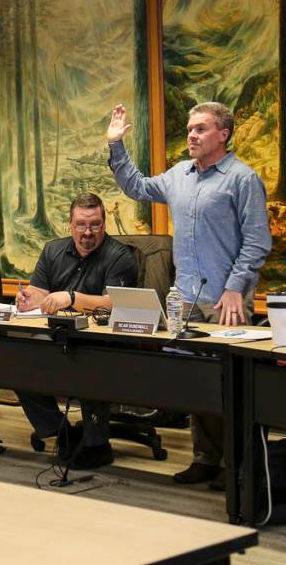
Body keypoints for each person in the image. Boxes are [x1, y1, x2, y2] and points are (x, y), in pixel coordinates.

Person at [107, 101, 272, 488]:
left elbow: (257, 242)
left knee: (230, 388)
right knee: (199, 384)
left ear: (223, 135)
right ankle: (206, 459)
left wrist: (236, 288)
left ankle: (240, 469)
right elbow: (137, 186)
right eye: (189, 128)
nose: (191, 135)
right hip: (184, 302)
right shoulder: (179, 175)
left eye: (200, 129)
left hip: (225, 302)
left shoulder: (242, 179)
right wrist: (116, 146)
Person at [14, 193, 138, 469]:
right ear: (69, 225)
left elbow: (114, 303)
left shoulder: (120, 256)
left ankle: (96, 444)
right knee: (19, 359)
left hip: (102, 341)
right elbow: (38, 294)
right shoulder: (52, 250)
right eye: (81, 225)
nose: (88, 232)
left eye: (95, 224)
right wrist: (27, 300)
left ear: (104, 224)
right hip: (58, 334)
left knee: (89, 362)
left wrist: (71, 298)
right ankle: (61, 432)